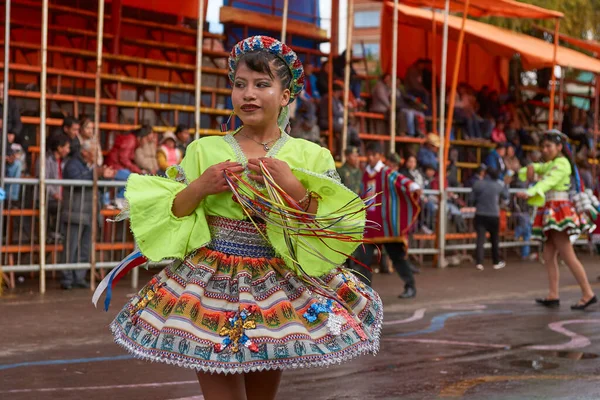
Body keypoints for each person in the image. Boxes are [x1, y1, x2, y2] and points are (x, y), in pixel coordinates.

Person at [98, 36, 381, 400]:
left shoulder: (312, 155)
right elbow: (175, 211)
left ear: (285, 96)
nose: (248, 94)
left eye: (262, 85)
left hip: (277, 285)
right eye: (240, 84)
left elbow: (327, 223)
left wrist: (294, 186)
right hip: (210, 284)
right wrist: (201, 185)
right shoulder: (204, 149)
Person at [517, 130, 597, 310]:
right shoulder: (553, 163)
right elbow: (535, 170)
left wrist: (531, 191)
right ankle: (553, 294)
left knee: (567, 255)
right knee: (548, 255)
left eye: (548, 146)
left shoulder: (561, 164)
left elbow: (548, 182)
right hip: (552, 209)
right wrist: (529, 167)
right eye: (543, 146)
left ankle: (587, 293)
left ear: (559, 147)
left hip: (558, 210)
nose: (544, 150)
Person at [355, 142, 421, 298]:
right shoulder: (364, 173)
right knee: (364, 259)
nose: (370, 158)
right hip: (370, 224)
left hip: (386, 225)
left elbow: (402, 180)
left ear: (379, 156)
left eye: (373, 155)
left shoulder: (386, 172)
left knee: (397, 257)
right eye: (369, 155)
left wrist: (414, 187)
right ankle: (366, 292)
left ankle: (410, 286)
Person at [61, 141, 116, 290]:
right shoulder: (72, 164)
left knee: (85, 247)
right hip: (75, 212)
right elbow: (76, 181)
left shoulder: (92, 168)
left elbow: (101, 189)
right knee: (70, 247)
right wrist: (96, 173)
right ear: (84, 152)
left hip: (90, 212)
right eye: (94, 150)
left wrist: (105, 177)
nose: (97, 154)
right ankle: (67, 278)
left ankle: (79, 276)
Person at [472, 168, 508, 271]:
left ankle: (479, 262)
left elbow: (471, 199)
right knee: (495, 239)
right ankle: (496, 261)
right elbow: (506, 196)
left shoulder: (478, 184)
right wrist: (505, 184)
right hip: (493, 214)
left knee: (480, 239)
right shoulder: (498, 185)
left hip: (480, 213)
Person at [38, 134, 70, 241]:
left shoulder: (65, 162)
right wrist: (55, 194)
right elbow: (43, 181)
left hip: (60, 197)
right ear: (59, 148)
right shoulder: (45, 160)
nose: (68, 150)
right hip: (47, 197)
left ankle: (59, 233)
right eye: (67, 147)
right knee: (60, 206)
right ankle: (54, 232)